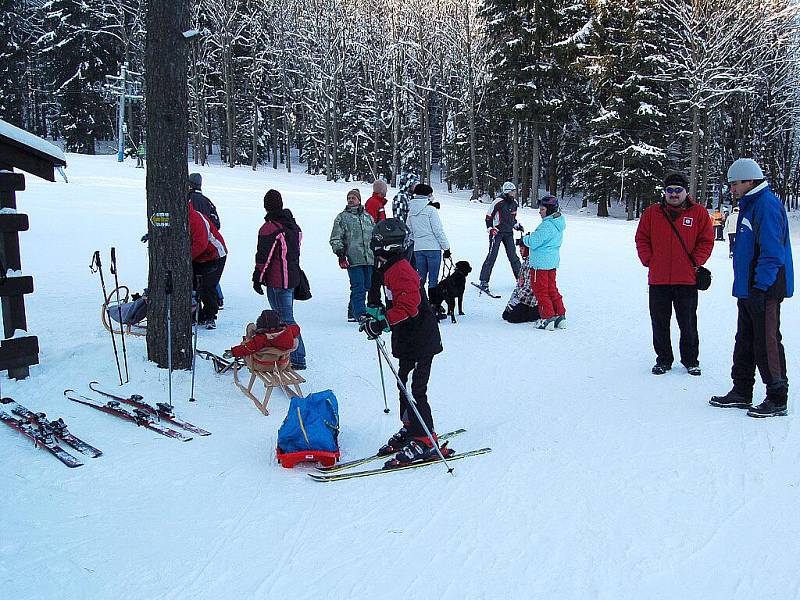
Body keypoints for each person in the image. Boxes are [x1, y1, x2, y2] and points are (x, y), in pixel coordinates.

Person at [360, 218, 452, 467]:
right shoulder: (389, 268)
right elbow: (388, 301)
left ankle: (425, 439)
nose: (374, 250)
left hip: (420, 340)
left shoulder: (401, 270)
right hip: (408, 340)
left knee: (414, 390)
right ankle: (411, 429)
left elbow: (409, 308)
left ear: (388, 248)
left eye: (377, 246)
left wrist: (382, 323)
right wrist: (374, 316)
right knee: (405, 386)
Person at [710, 158, 794, 417]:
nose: (732, 189)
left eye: (735, 184)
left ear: (750, 181)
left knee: (766, 340)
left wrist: (760, 287)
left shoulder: (766, 205)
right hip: (748, 288)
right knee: (744, 340)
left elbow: (772, 252)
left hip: (764, 288)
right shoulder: (749, 204)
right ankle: (742, 390)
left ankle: (777, 396)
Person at [635, 172, 714, 375]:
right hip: (659, 279)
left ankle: (691, 360)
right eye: (669, 190)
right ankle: (663, 359)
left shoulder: (699, 213)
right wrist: (648, 259)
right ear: (664, 192)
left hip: (686, 279)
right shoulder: (652, 213)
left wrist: (695, 261)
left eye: (678, 190)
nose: (674, 194)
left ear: (685, 191)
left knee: (687, 323)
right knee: (659, 321)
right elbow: (642, 238)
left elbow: (706, 241)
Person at [252, 189, 306, 370]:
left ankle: (298, 358)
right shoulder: (293, 227)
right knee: (285, 319)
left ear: (266, 206)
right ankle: (289, 355)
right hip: (291, 279)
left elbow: (263, 258)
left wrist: (257, 279)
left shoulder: (269, 228)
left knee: (286, 320)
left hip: (278, 282)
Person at [329, 189, 375, 322]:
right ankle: (360, 314)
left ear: (359, 200)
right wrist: (340, 254)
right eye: (349, 198)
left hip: (369, 258)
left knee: (367, 285)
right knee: (358, 286)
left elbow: (374, 235)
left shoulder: (368, 217)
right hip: (353, 259)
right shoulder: (342, 217)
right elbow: (335, 238)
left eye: (353, 198)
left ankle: (352, 310)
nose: (350, 200)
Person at [522, 194, 566, 330]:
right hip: (551, 262)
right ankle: (560, 315)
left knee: (541, 290)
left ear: (549, 209)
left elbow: (534, 242)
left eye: (542, 209)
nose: (540, 212)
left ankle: (547, 318)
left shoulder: (546, 225)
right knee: (551, 288)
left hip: (540, 264)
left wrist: (525, 239)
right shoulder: (558, 223)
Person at [476, 181, 523, 294]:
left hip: (508, 233)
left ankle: (521, 279)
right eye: (512, 191)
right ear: (507, 192)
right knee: (492, 256)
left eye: (514, 191)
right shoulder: (498, 201)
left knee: (513, 256)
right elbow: (488, 217)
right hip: (496, 233)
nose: (514, 193)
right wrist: (490, 229)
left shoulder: (514, 203)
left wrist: (516, 225)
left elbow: (512, 218)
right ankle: (484, 281)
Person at [406, 182, 451, 299]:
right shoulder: (431, 210)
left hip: (418, 248)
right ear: (427, 194)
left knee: (420, 278)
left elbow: (409, 230)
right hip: (433, 248)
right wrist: (446, 248)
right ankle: (433, 304)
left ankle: (420, 303)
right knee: (433, 279)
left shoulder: (411, 210)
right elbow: (438, 230)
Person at [189, 201, 227, 329]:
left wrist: (185, 258)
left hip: (215, 254)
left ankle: (210, 316)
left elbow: (201, 244)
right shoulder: (178, 218)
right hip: (198, 257)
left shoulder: (195, 219)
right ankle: (196, 315)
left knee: (207, 286)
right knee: (192, 286)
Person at [188, 172, 224, 307]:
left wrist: (202, 230)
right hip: (210, 243)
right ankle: (218, 298)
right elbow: (217, 223)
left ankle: (205, 304)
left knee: (201, 277)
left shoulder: (187, 200)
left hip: (200, 244)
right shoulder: (207, 201)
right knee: (210, 276)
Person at [228, 309, 301, 372]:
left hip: (263, 366)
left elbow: (246, 349)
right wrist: (286, 328)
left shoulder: (261, 339)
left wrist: (232, 352)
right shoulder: (288, 333)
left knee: (249, 335)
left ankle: (246, 352)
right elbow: (296, 328)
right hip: (282, 364)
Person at [502, 240, 540, 323]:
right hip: (522, 298)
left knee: (513, 318)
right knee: (505, 315)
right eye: (520, 248)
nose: (520, 251)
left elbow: (530, 288)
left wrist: (517, 301)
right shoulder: (524, 263)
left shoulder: (532, 264)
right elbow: (518, 286)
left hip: (530, 301)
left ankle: (538, 312)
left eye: (522, 248)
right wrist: (511, 303)